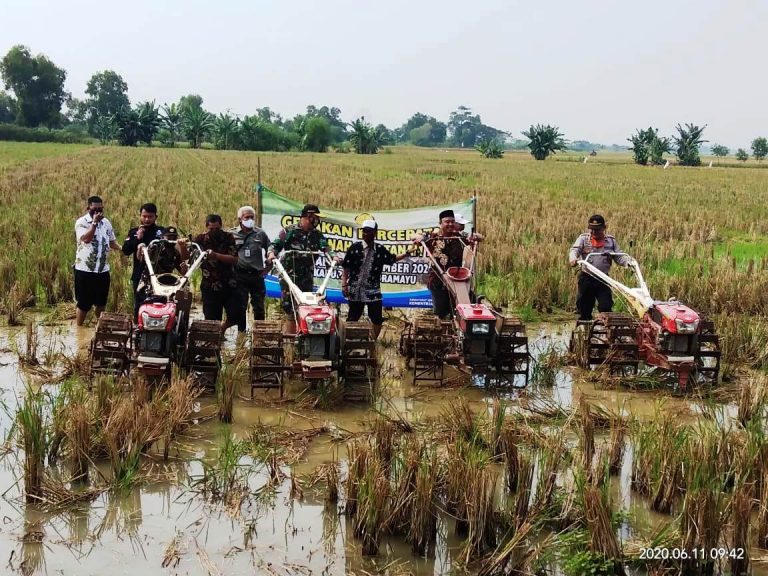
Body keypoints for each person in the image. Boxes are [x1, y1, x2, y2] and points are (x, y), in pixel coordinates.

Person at [266, 204, 330, 335]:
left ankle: (305, 337)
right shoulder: (290, 231)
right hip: (289, 276)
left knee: (306, 305)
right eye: (316, 218)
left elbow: (327, 249)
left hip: (307, 276)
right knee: (289, 309)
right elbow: (275, 245)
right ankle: (290, 341)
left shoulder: (317, 235)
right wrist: (272, 254)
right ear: (309, 217)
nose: (318, 221)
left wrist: (334, 257)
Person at [341, 220, 410, 339]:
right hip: (355, 289)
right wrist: (344, 285)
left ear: (375, 233)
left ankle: (372, 343)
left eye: (369, 231)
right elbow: (346, 267)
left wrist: (407, 254)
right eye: (364, 231)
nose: (366, 233)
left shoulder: (380, 249)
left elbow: (392, 259)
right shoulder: (355, 248)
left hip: (373, 291)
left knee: (377, 319)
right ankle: (349, 343)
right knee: (353, 317)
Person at [414, 209, 476, 320]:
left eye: (452, 221)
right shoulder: (432, 236)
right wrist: (417, 238)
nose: (450, 224)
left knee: (461, 308)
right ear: (440, 223)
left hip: (457, 280)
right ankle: (442, 334)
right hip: (438, 280)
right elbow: (414, 236)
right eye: (447, 222)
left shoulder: (459, 236)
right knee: (441, 312)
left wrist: (476, 237)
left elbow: (478, 237)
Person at [568, 214, 631, 321]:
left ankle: (605, 331)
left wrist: (628, 262)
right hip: (587, 278)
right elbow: (574, 250)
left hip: (603, 279)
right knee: (584, 308)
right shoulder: (583, 239)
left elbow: (619, 256)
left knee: (606, 306)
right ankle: (586, 330)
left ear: (604, 228)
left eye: (597, 230)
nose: (593, 232)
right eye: (591, 229)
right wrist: (573, 259)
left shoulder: (611, 241)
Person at [187, 214, 243, 332]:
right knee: (212, 320)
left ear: (221, 226)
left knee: (236, 314)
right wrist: (183, 246)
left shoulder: (228, 237)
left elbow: (234, 259)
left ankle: (222, 329)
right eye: (211, 229)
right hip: (210, 285)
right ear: (207, 227)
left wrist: (216, 256)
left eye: (217, 229)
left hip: (230, 284)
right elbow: (188, 258)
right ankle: (215, 342)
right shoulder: (200, 239)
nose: (214, 232)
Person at [73, 196, 121, 326]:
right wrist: (94, 223)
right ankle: (79, 329)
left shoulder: (106, 223)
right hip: (85, 269)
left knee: (101, 303)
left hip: (102, 269)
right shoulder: (82, 222)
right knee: (83, 304)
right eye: (94, 210)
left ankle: (100, 328)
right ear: (88, 208)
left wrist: (122, 250)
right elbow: (86, 239)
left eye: (100, 209)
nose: (98, 213)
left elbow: (111, 242)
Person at [230, 205, 271, 331]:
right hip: (240, 276)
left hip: (257, 276)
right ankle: (241, 335)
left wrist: (268, 267)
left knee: (259, 307)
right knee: (240, 307)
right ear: (240, 219)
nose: (250, 220)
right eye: (247, 217)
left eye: (252, 217)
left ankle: (259, 334)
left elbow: (270, 249)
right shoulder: (231, 234)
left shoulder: (260, 233)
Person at [122, 203, 165, 318]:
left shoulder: (162, 232)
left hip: (159, 275)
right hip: (140, 275)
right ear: (140, 216)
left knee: (159, 305)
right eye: (144, 216)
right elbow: (125, 250)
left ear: (156, 217)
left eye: (150, 216)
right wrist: (138, 238)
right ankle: (139, 331)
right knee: (140, 305)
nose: (146, 219)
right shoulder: (134, 232)